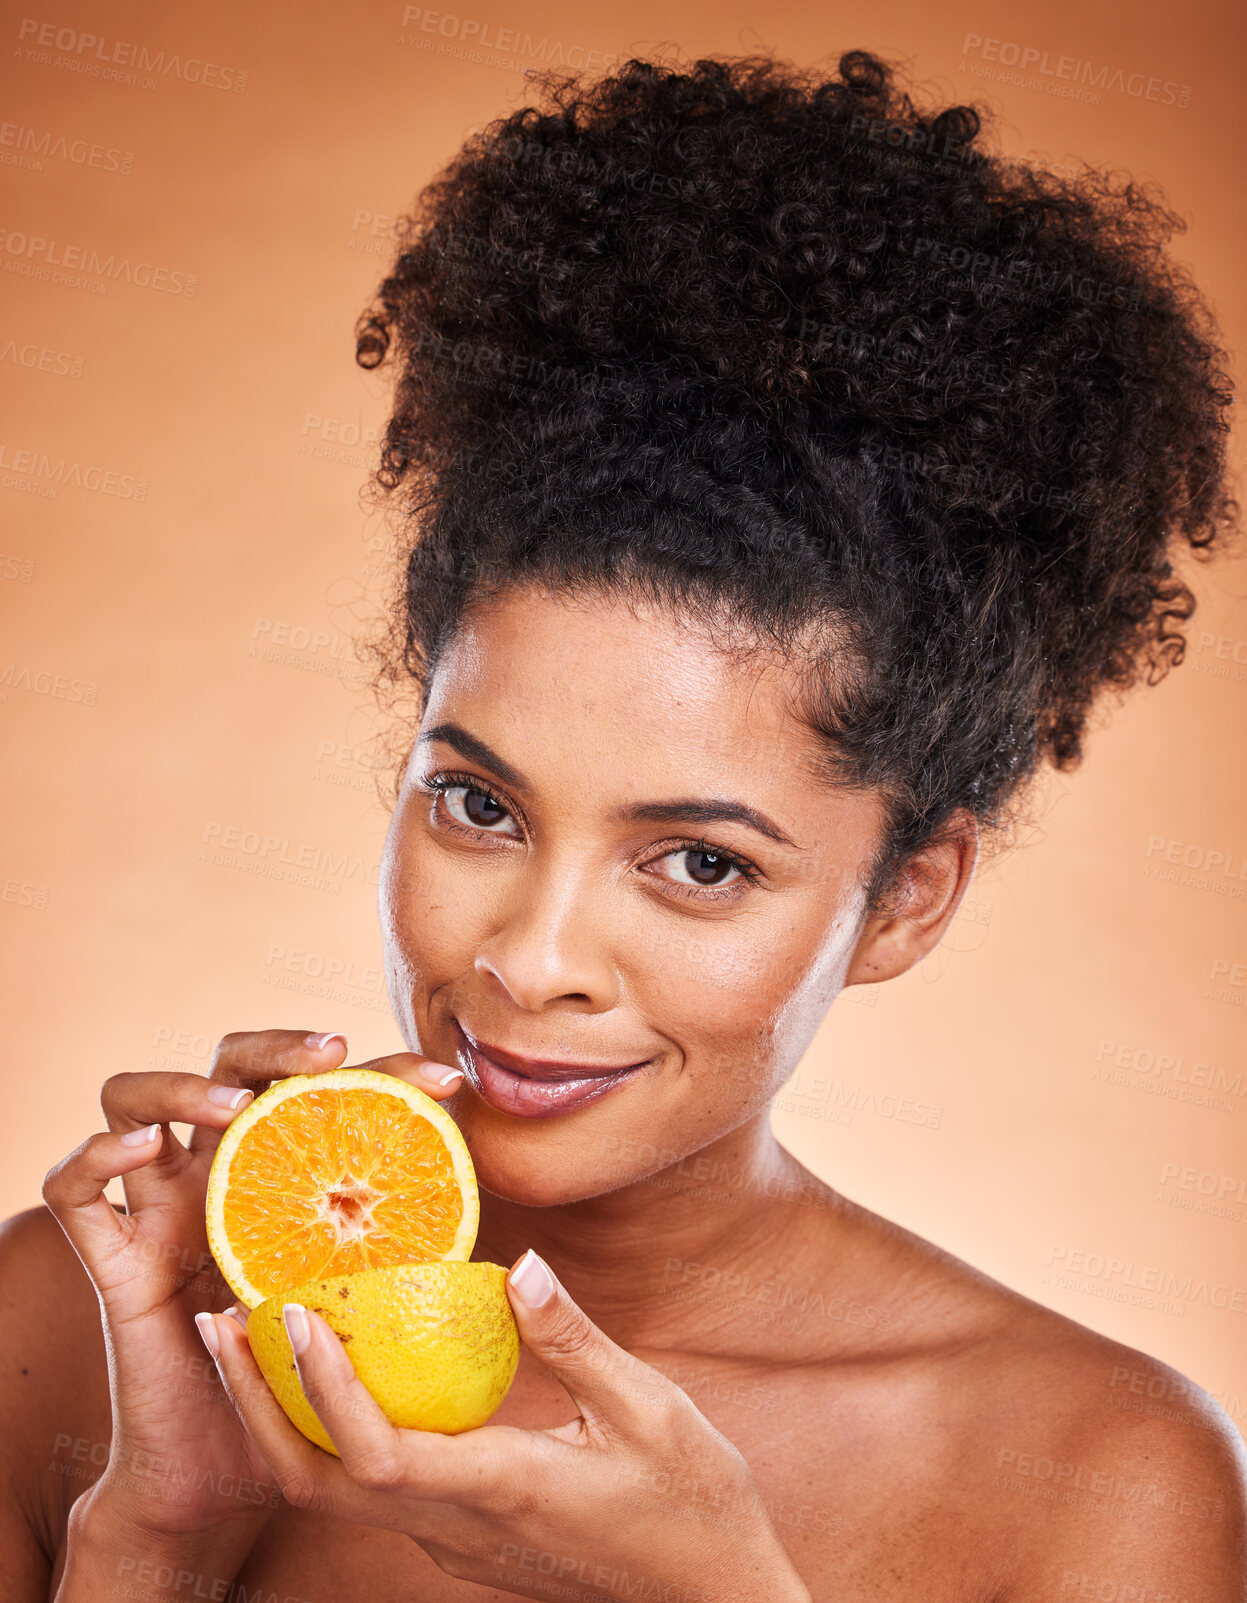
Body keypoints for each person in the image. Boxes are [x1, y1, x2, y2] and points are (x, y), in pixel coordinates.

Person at [5, 48, 1244, 1603]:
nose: (533, 961)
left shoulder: (1098, 1482)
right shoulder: (89, 1324)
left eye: (702, 864)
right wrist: (155, 1542)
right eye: (477, 804)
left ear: (909, 899)